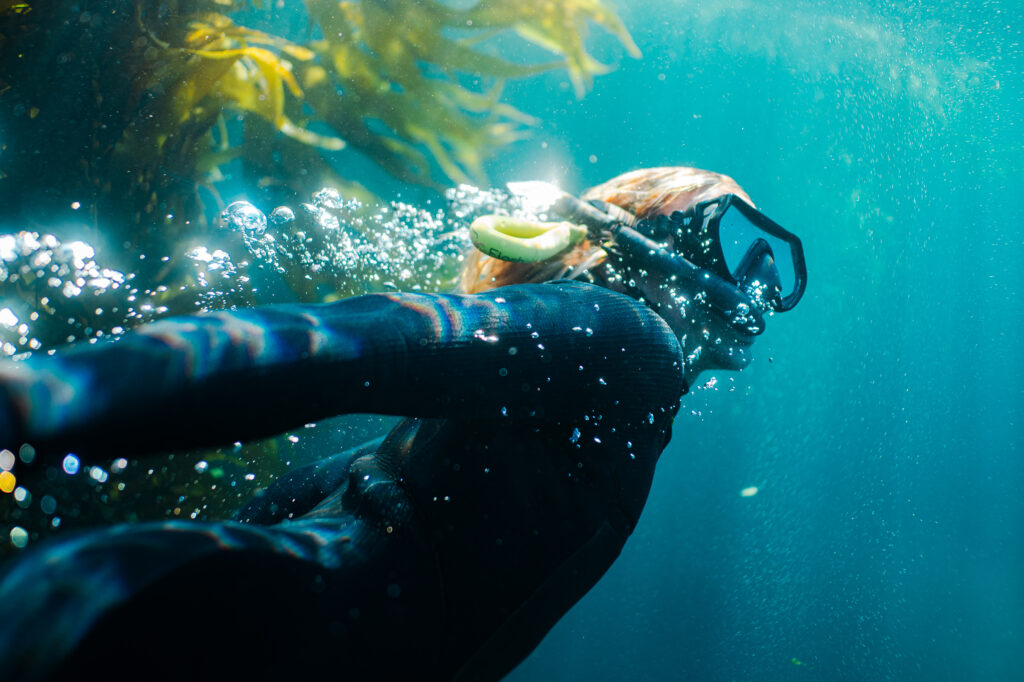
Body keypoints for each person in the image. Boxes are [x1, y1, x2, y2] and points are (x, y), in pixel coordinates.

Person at [0, 167, 805, 681]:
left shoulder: (607, 386)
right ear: (652, 230)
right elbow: (339, 347)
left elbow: (324, 472)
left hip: (185, 605)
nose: (758, 281)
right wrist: (34, 402)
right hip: (228, 623)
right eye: (736, 237)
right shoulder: (630, 336)